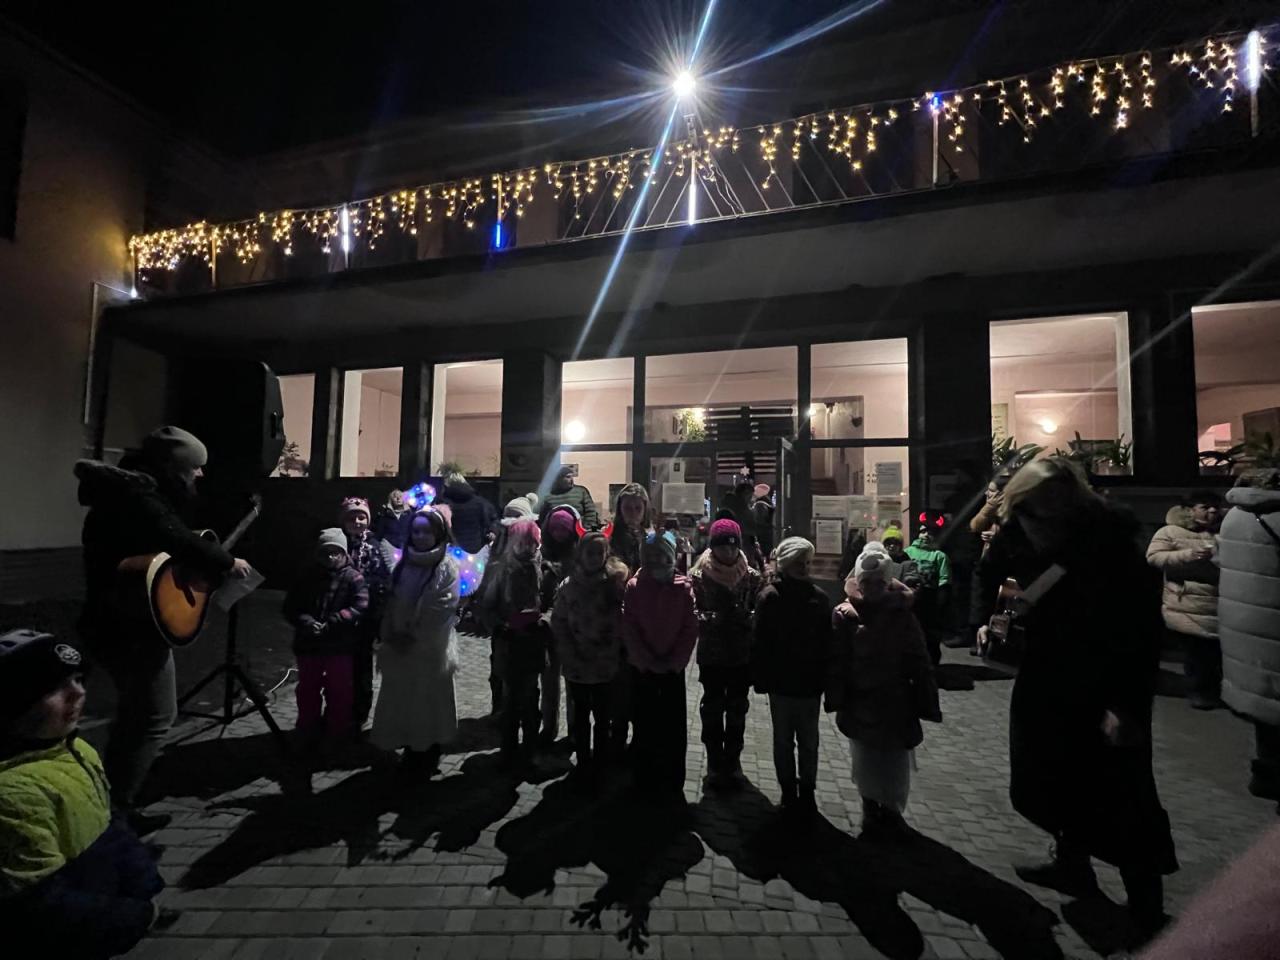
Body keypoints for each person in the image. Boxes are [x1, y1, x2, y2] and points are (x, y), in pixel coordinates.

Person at [981, 457, 1177, 945]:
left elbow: (1140, 635)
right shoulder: (1028, 540)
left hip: (1104, 688)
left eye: (1040, 515)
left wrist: (1125, 705)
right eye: (1025, 514)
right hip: (1048, 680)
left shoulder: (1111, 551)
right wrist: (995, 623)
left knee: (1124, 797)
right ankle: (1071, 864)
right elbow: (1004, 584)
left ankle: (1146, 906)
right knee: (1051, 779)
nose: (1032, 525)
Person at [74, 426, 252, 834]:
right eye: (195, 467)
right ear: (174, 467)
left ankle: (108, 802)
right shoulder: (139, 497)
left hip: (121, 619)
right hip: (129, 626)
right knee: (154, 715)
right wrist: (227, 562)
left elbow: (167, 544)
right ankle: (114, 814)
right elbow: (176, 537)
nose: (200, 475)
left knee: (136, 715)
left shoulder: (127, 495)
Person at [0, 629, 172, 958]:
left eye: (79, 679)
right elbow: (39, 905)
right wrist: (133, 917)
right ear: (13, 701)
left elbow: (106, 822)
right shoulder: (12, 795)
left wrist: (141, 878)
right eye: (55, 687)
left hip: (103, 901)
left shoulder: (76, 749)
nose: (78, 692)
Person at [828, 546, 937, 840]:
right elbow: (838, 659)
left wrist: (924, 693)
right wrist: (837, 694)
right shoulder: (847, 614)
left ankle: (891, 811)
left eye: (879, 582)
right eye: (867, 582)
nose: (873, 588)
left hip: (895, 701)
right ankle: (870, 807)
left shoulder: (901, 613)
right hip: (861, 702)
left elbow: (918, 655)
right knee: (865, 760)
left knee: (894, 762)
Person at [373, 507, 459, 780]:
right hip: (399, 647)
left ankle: (425, 754)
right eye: (416, 531)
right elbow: (393, 600)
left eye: (427, 532)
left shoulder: (446, 566)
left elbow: (442, 607)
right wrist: (390, 633)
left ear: (439, 534)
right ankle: (406, 746)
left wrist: (413, 636)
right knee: (403, 701)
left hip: (428, 649)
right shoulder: (404, 564)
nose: (421, 537)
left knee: (426, 702)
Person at [752, 536, 833, 819]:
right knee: (784, 739)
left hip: (808, 683)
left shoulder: (819, 598)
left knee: (808, 741)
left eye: (807, 562)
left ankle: (806, 791)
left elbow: (827, 641)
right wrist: (761, 677)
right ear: (786, 564)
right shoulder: (771, 597)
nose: (804, 567)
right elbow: (760, 641)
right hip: (783, 682)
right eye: (799, 562)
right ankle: (789, 790)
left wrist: (826, 676)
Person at [1216, 469, 1280, 807]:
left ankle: (1266, 773)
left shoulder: (1232, 518)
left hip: (1242, 624)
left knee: (1263, 702)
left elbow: (1219, 559)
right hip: (1273, 622)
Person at [622, 531, 698, 793]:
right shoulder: (635, 587)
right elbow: (629, 627)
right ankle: (644, 778)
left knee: (672, 729)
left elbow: (689, 628)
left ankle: (672, 780)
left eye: (661, 555)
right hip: (643, 670)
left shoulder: (683, 588)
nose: (656, 560)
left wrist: (675, 662)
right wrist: (644, 660)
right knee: (644, 725)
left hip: (671, 671)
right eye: (650, 555)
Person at [690, 518, 763, 790]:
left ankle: (733, 761)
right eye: (723, 547)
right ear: (713, 547)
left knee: (736, 709)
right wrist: (713, 618)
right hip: (712, 654)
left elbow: (759, 609)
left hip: (740, 654)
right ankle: (714, 761)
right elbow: (693, 612)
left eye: (733, 547)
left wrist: (747, 618)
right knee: (712, 707)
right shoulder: (700, 576)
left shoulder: (751, 576)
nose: (729, 552)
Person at [551, 532, 628, 780]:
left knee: (603, 717)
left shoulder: (614, 585)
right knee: (581, 716)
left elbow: (623, 620)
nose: (594, 558)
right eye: (590, 553)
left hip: (605, 663)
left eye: (599, 553)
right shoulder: (569, 586)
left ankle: (601, 761)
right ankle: (584, 760)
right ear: (580, 554)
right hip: (578, 664)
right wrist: (568, 652)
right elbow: (559, 622)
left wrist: (614, 647)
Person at [282, 529, 369, 747]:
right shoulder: (306, 577)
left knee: (340, 690)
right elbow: (291, 607)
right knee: (307, 689)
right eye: (325, 552)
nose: (330, 557)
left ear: (344, 553)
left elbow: (361, 605)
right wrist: (307, 622)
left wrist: (336, 620)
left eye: (335, 552)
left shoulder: (354, 577)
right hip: (309, 645)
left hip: (340, 646)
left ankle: (337, 731)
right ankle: (306, 728)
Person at [1146, 492, 1223, 710]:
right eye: (1205, 507)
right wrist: (1187, 555)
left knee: (1215, 653)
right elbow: (1154, 557)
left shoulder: (1224, 531)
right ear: (1189, 510)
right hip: (1187, 603)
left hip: (1220, 601)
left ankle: (1213, 690)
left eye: (1215, 506)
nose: (1212, 511)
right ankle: (1200, 691)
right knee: (1198, 653)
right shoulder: (1170, 532)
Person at [339, 497, 397, 733]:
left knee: (362, 667)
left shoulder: (375, 546)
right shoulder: (338, 544)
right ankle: (337, 709)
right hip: (340, 616)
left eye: (361, 517)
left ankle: (359, 713)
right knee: (339, 666)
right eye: (351, 517)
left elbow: (383, 580)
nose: (357, 521)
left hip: (366, 617)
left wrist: (377, 614)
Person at [604, 482, 653, 752]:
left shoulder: (651, 537)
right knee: (619, 682)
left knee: (641, 681)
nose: (633, 513)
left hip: (645, 617)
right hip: (617, 617)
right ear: (620, 509)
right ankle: (617, 734)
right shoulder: (611, 537)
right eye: (628, 508)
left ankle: (639, 738)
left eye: (637, 508)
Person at [496, 519, 547, 765]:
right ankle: (508, 750)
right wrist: (502, 623)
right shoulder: (503, 570)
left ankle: (530, 749)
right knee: (510, 701)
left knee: (530, 699)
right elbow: (489, 604)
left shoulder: (544, 569)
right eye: (520, 541)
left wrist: (543, 620)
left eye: (530, 541)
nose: (526, 546)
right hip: (510, 642)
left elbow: (553, 603)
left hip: (534, 642)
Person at [539, 505, 583, 744]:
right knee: (548, 682)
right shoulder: (542, 553)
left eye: (564, 529)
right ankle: (549, 727)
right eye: (555, 529)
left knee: (573, 683)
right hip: (546, 629)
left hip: (572, 628)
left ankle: (575, 730)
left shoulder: (579, 556)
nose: (559, 534)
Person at [904, 525, 952, 665]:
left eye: (930, 532)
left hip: (930, 600)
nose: (926, 535)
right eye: (923, 531)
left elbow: (944, 578)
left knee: (931, 635)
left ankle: (932, 664)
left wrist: (942, 600)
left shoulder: (939, 556)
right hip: (911, 598)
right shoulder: (907, 552)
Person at [438, 472, 498, 554]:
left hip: (449, 551)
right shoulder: (481, 502)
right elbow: (493, 519)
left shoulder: (442, 505)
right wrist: (492, 531)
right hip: (479, 550)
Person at [541, 465, 601, 531]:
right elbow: (543, 517)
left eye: (572, 476)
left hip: (580, 531)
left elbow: (591, 512)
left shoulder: (581, 491)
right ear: (559, 479)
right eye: (568, 477)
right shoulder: (549, 495)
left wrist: (585, 529)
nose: (572, 480)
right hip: (557, 533)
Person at [750, 483, 776, 557]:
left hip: (761, 537)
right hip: (768, 535)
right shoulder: (768, 505)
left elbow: (759, 522)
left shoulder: (759, 505)